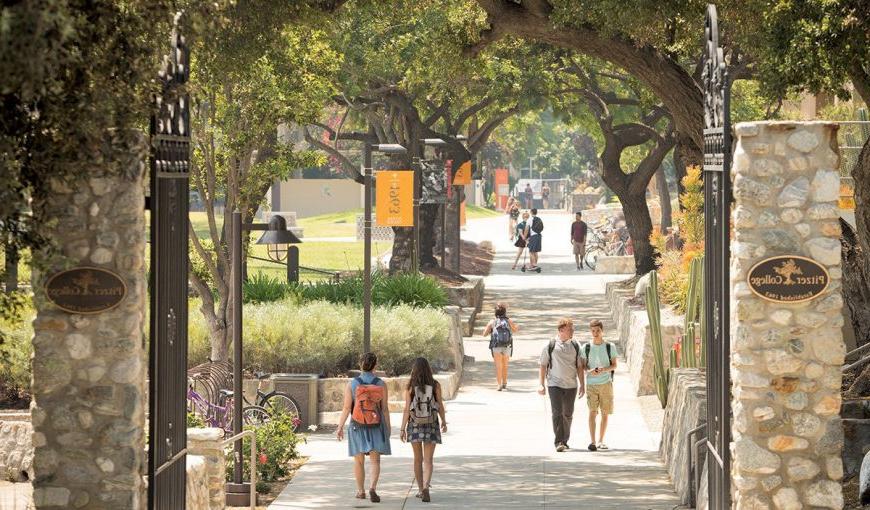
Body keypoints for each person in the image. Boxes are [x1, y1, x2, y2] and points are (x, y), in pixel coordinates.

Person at [336, 352, 391, 503]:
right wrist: (388, 427)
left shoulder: (353, 384)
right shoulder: (380, 384)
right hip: (376, 424)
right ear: (375, 365)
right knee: (375, 461)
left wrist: (340, 426)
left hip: (357, 425)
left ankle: (361, 491)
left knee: (359, 461)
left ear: (360, 365)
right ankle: (373, 488)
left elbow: (347, 408)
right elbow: (384, 408)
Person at [400, 357, 448, 503]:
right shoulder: (435, 385)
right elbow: (439, 405)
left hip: (415, 424)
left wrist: (402, 429)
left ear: (414, 370)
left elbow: (407, 409)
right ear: (428, 369)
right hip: (431, 424)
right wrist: (444, 421)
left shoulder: (410, 387)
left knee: (417, 459)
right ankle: (427, 486)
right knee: (428, 460)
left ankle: (421, 490)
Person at [538, 318, 585, 452]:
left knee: (568, 414)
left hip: (571, 384)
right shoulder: (550, 345)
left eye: (572, 328)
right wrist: (541, 384)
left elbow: (579, 367)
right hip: (554, 384)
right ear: (561, 330)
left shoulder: (576, 345)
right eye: (570, 329)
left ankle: (564, 440)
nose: (573, 331)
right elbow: (543, 365)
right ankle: (558, 441)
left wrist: (582, 385)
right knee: (557, 412)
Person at [580, 319, 618, 452]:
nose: (595, 333)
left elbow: (614, 365)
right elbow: (583, 366)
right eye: (593, 331)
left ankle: (601, 440)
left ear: (602, 331)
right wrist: (589, 371)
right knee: (592, 412)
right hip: (591, 384)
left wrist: (604, 369)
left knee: (605, 413)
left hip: (606, 383)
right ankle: (592, 441)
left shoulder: (609, 347)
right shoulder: (586, 347)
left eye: (598, 331)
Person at [482, 303, 519, 390]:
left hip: (496, 345)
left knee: (498, 366)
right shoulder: (508, 320)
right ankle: (505, 383)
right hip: (507, 345)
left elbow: (484, 334)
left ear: (495, 312)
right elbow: (515, 330)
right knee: (505, 365)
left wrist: (490, 330)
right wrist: (516, 327)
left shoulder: (492, 322)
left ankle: (499, 385)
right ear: (504, 312)